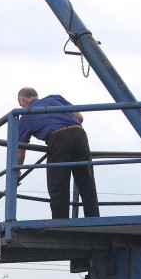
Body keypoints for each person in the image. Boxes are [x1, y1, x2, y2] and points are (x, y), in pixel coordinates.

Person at [16, 86, 100, 219]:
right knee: (86, 181)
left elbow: (20, 150)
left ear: (24, 101)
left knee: (58, 184)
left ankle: (61, 222)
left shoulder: (26, 115)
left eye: (21, 105)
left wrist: (16, 172)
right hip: (79, 134)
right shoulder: (55, 98)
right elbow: (79, 117)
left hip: (58, 138)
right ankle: (94, 219)